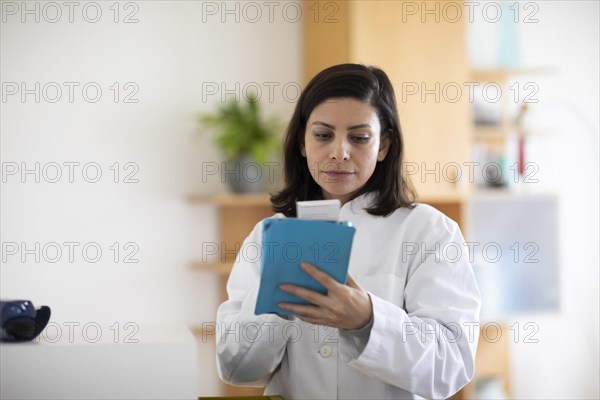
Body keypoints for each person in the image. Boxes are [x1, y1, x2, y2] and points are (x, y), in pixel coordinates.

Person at [216, 64, 481, 399]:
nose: (339, 152)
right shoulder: (268, 235)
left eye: (359, 138)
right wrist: (275, 302)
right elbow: (237, 371)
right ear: (302, 141)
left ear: (383, 146)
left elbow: (451, 367)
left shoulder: (429, 232)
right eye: (323, 135)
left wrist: (368, 320)